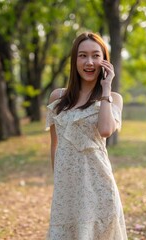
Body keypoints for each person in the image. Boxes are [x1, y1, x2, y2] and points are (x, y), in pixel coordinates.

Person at [45, 32, 127, 239]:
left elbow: (106, 130)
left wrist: (106, 89)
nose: (89, 62)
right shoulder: (58, 97)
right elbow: (55, 146)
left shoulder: (113, 99)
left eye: (95, 55)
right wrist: (60, 184)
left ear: (104, 60)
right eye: (82, 56)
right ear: (75, 61)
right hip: (67, 188)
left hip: (99, 185)